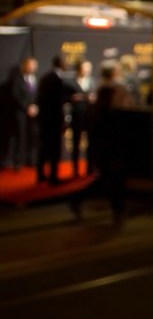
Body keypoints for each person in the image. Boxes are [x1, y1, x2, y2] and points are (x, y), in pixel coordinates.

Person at [70, 64, 135, 227]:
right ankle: (117, 209)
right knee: (115, 175)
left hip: (100, 139)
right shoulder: (119, 89)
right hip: (114, 137)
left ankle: (79, 199)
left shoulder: (100, 89)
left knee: (107, 175)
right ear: (115, 73)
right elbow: (128, 109)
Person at [35, 55, 74, 184]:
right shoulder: (56, 79)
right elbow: (57, 100)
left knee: (44, 147)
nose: (68, 64)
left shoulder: (46, 77)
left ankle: (41, 175)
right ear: (60, 63)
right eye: (65, 62)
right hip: (53, 119)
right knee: (54, 148)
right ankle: (53, 177)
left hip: (45, 118)